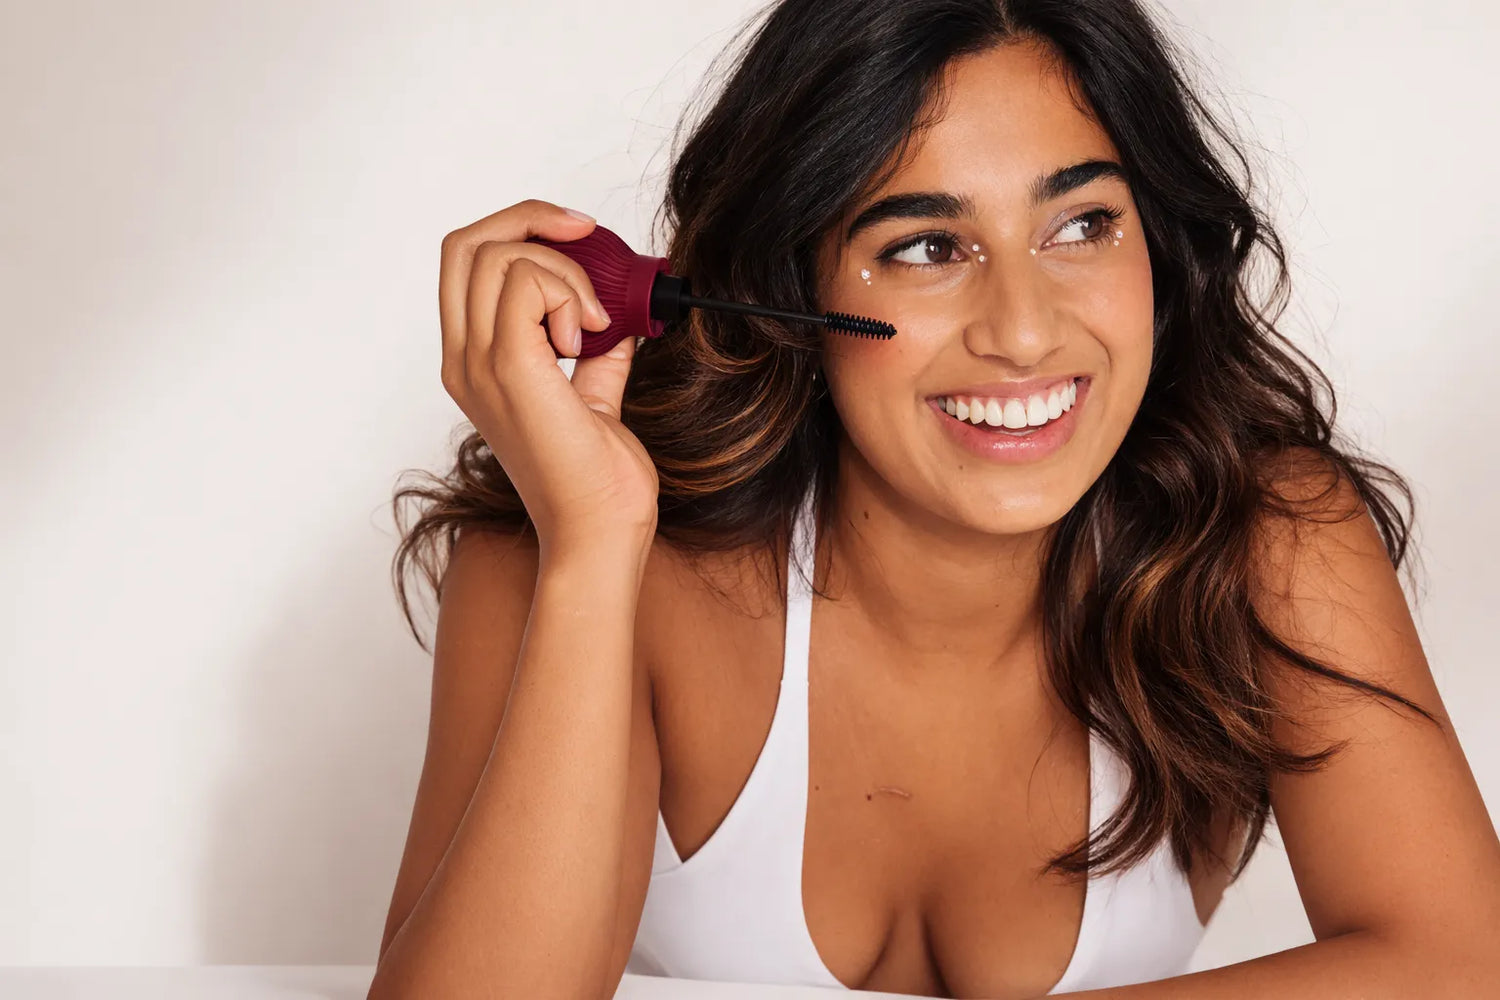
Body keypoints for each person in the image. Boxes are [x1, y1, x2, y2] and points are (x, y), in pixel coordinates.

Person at [367, 1, 1500, 997]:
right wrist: (594, 541)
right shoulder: (573, 551)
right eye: (925, 246)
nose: (1020, 329)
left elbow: (1464, 965)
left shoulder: (1262, 539)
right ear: (787, 287)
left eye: (1082, 225)